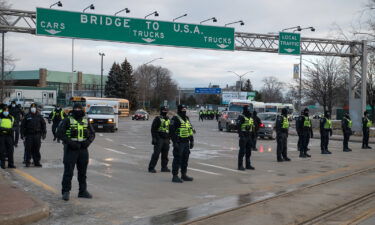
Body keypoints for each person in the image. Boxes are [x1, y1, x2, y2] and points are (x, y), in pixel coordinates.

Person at [57, 103, 95, 201]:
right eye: (76, 108)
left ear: (82, 109)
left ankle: (83, 191)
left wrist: (87, 142)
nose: (78, 110)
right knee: (68, 171)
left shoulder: (86, 120)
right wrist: (70, 143)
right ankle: (65, 192)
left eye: (79, 108)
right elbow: (60, 133)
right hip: (71, 149)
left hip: (83, 149)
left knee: (82, 172)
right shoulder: (67, 120)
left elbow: (92, 134)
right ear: (73, 109)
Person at [170, 104, 194, 183]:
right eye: (183, 109)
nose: (184, 110)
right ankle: (175, 176)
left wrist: (192, 140)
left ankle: (184, 175)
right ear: (179, 109)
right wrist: (175, 142)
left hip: (186, 142)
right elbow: (172, 132)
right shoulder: (175, 118)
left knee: (185, 159)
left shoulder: (186, 118)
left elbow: (189, 130)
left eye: (185, 109)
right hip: (179, 142)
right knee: (177, 159)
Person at [21, 103, 46, 167]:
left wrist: (44, 133)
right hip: (29, 135)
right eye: (32, 107)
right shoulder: (27, 116)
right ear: (30, 108)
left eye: (34, 107)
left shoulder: (39, 116)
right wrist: (22, 134)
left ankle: (36, 162)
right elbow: (22, 126)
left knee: (36, 149)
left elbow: (43, 125)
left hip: (37, 135)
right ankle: (27, 162)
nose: (33, 108)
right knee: (28, 149)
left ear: (36, 108)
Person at [148, 106, 171, 173]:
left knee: (165, 154)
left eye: (166, 110)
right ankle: (151, 167)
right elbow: (153, 129)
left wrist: (170, 138)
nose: (165, 112)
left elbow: (170, 129)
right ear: (161, 111)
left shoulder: (168, 119)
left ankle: (164, 167)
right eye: (164, 110)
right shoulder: (157, 119)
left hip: (166, 139)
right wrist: (154, 138)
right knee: (156, 154)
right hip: (159, 139)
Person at [236, 105, 255, 170]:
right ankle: (240, 165)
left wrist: (253, 137)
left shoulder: (251, 117)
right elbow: (238, 127)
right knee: (242, 151)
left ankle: (248, 165)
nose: (250, 111)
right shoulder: (241, 117)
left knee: (249, 151)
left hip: (249, 136)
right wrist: (241, 136)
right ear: (245, 110)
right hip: (243, 136)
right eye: (248, 109)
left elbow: (252, 127)